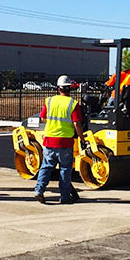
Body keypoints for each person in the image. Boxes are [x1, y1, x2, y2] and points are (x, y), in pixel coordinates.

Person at [34, 75, 86, 205]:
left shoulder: (49, 101)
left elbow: (42, 117)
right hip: (65, 142)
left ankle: (39, 190)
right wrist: (82, 139)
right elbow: (77, 124)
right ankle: (64, 197)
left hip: (49, 141)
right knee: (65, 169)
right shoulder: (73, 104)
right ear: (70, 89)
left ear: (58, 88)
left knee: (46, 167)